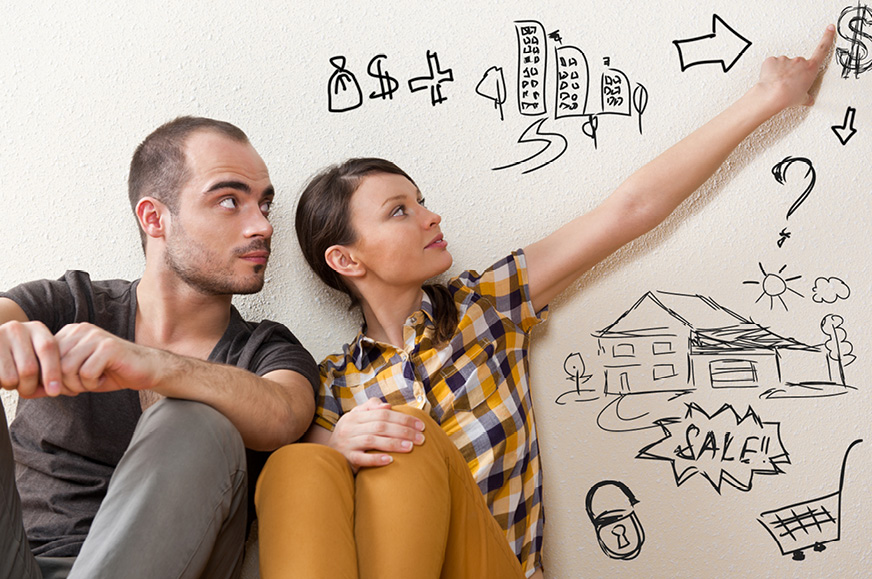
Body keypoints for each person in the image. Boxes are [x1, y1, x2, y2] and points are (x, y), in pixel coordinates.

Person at [256, 26, 836, 579]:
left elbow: (627, 211)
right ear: (347, 260)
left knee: (405, 437)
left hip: (494, 566)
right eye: (399, 211)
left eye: (421, 200)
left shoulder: (486, 307)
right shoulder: (332, 386)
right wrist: (335, 441)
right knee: (294, 465)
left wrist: (766, 98)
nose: (432, 216)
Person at [0, 116, 319, 579]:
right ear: (155, 218)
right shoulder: (69, 304)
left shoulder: (266, 349)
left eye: (263, 205)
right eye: (230, 201)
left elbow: (285, 413)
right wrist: (11, 341)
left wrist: (148, 364)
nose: (262, 227)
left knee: (192, 419)